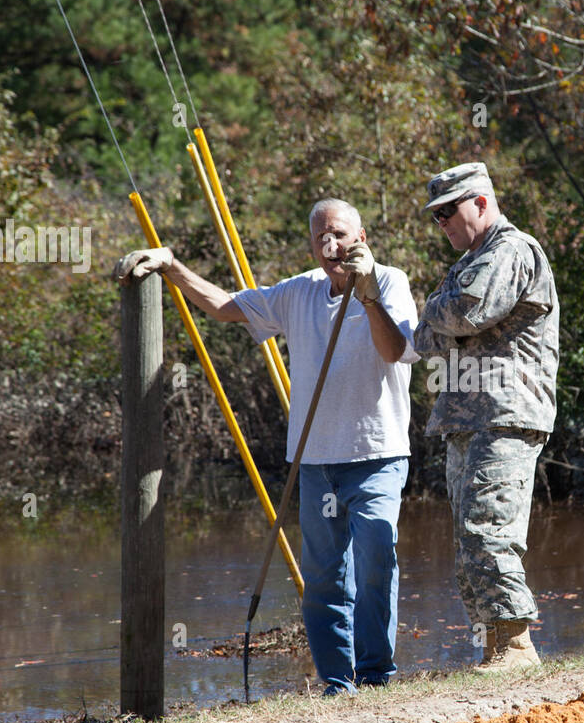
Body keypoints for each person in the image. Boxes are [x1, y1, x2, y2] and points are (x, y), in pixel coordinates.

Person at [114, 198, 419, 696]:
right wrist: (172, 267)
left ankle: (377, 677)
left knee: (376, 561)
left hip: (378, 455)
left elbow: (397, 351)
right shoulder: (299, 292)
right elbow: (226, 306)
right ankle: (338, 684)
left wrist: (366, 295)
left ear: (361, 237)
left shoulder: (389, 282)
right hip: (315, 461)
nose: (331, 245)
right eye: (321, 236)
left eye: (340, 234)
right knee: (323, 580)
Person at [412, 162, 559, 671]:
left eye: (448, 212)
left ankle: (517, 645)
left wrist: (438, 309)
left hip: (504, 412)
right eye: (436, 217)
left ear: (479, 202)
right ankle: (497, 646)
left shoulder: (511, 250)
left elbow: (463, 314)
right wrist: (442, 312)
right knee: (467, 536)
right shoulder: (469, 263)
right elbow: (425, 340)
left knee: (488, 528)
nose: (443, 224)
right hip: (467, 417)